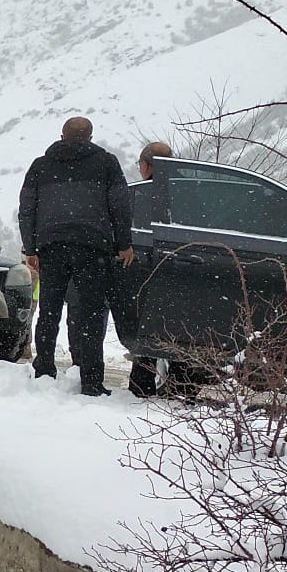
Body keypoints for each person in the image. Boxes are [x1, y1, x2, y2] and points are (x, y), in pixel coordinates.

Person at [18, 116, 131, 396]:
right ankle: (91, 381)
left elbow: (27, 208)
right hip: (93, 248)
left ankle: (44, 370)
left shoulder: (41, 166)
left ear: (62, 136)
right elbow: (120, 205)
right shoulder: (106, 163)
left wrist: (30, 248)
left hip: (51, 247)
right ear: (90, 138)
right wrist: (123, 244)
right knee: (90, 315)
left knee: (49, 311)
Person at [114, 141, 174, 397]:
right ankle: (180, 386)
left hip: (143, 272)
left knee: (144, 333)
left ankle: (141, 386)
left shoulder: (139, 196)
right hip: (179, 274)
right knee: (174, 333)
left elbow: (121, 230)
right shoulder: (186, 195)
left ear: (147, 165)